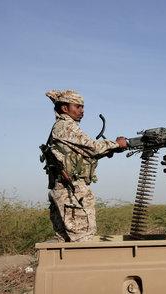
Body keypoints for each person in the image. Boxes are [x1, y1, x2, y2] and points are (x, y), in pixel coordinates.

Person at [41, 90, 128, 242]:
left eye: (82, 107)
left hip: (66, 187)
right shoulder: (65, 126)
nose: (82, 111)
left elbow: (85, 152)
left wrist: (110, 150)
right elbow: (92, 147)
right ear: (64, 108)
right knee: (83, 236)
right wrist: (116, 144)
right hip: (71, 189)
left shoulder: (62, 126)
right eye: (77, 107)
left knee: (64, 238)